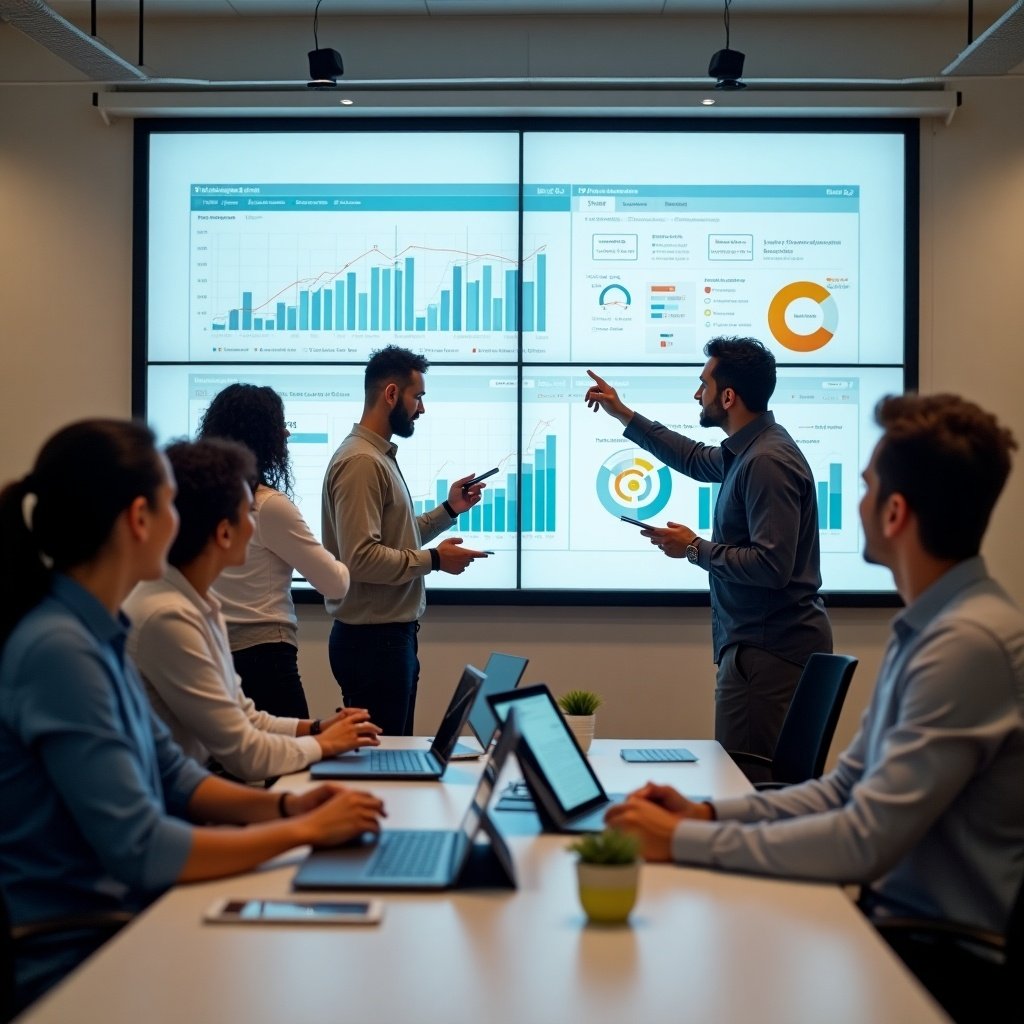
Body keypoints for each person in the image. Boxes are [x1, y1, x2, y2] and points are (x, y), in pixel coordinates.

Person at [605, 393, 1024, 939]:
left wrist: (679, 841)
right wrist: (704, 816)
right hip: (900, 926)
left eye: (867, 487)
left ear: (895, 514)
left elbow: (862, 839)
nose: (855, 503)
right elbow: (842, 788)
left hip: (937, 952)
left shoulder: (967, 644)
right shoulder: (929, 629)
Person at [0, 420, 384, 1013]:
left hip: (122, 914)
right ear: (139, 519)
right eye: (171, 505)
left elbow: (176, 775)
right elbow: (142, 847)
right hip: (79, 946)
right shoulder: (60, 649)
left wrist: (290, 805)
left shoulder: (97, 628)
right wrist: (302, 831)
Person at [585, 337, 832, 776]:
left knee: (746, 784)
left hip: (767, 650)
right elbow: (696, 459)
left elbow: (772, 567)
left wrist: (694, 548)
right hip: (760, 645)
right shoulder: (750, 450)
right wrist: (623, 413)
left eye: (703, 384)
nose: (697, 394)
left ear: (729, 396)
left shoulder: (767, 461)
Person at [125, 437, 381, 783]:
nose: (254, 524)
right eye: (249, 512)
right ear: (224, 532)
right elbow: (245, 754)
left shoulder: (195, 603)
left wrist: (318, 728)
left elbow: (247, 717)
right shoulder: (167, 615)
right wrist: (323, 744)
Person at [321, 345, 489, 735]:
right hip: (373, 645)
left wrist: (449, 510)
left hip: (384, 641)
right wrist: (434, 560)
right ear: (392, 394)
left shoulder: (374, 456)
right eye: (419, 397)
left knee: (393, 760)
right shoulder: (362, 462)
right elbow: (361, 558)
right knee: (386, 767)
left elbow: (394, 536)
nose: (422, 409)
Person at [197, 382, 349, 718]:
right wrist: (348, 555)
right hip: (265, 657)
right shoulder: (268, 506)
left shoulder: (201, 498)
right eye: (279, 425)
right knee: (294, 762)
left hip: (214, 651)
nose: (286, 434)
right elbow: (334, 583)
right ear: (262, 435)